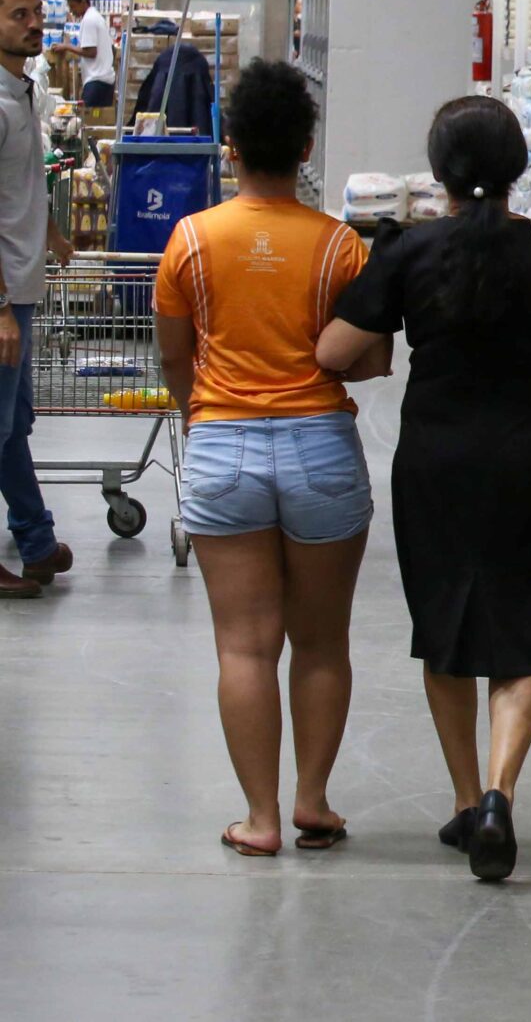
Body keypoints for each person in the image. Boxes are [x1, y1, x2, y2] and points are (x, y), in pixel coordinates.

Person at [318, 97, 531, 883]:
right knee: (518, 639)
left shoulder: (409, 250)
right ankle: (498, 794)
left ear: (439, 170)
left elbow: (336, 349)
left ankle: (462, 797)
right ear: (518, 166)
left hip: (434, 463)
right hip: (527, 467)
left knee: (444, 631)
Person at [152, 60, 382, 857]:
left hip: (222, 446)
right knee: (321, 642)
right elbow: (368, 358)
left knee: (244, 645)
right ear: (306, 147)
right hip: (321, 447)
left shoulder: (191, 240)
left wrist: (204, 411)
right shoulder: (341, 246)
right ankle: (313, 799)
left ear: (232, 147)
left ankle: (260, 817)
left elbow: (174, 356)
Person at [0, 0, 77, 599]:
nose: (33, 25)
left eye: (36, 13)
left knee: (13, 426)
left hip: (22, 287)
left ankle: (36, 542)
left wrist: (50, 232)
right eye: (18, 15)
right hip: (4, 296)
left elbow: (21, 181)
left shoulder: (23, 90)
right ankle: (33, 540)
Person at [65, 0, 116, 110]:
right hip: (105, 81)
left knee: (88, 120)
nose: (72, 11)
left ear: (83, 2)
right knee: (101, 120)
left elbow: (91, 52)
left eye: (73, 7)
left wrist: (67, 46)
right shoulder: (96, 17)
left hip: (96, 82)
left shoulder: (89, 20)